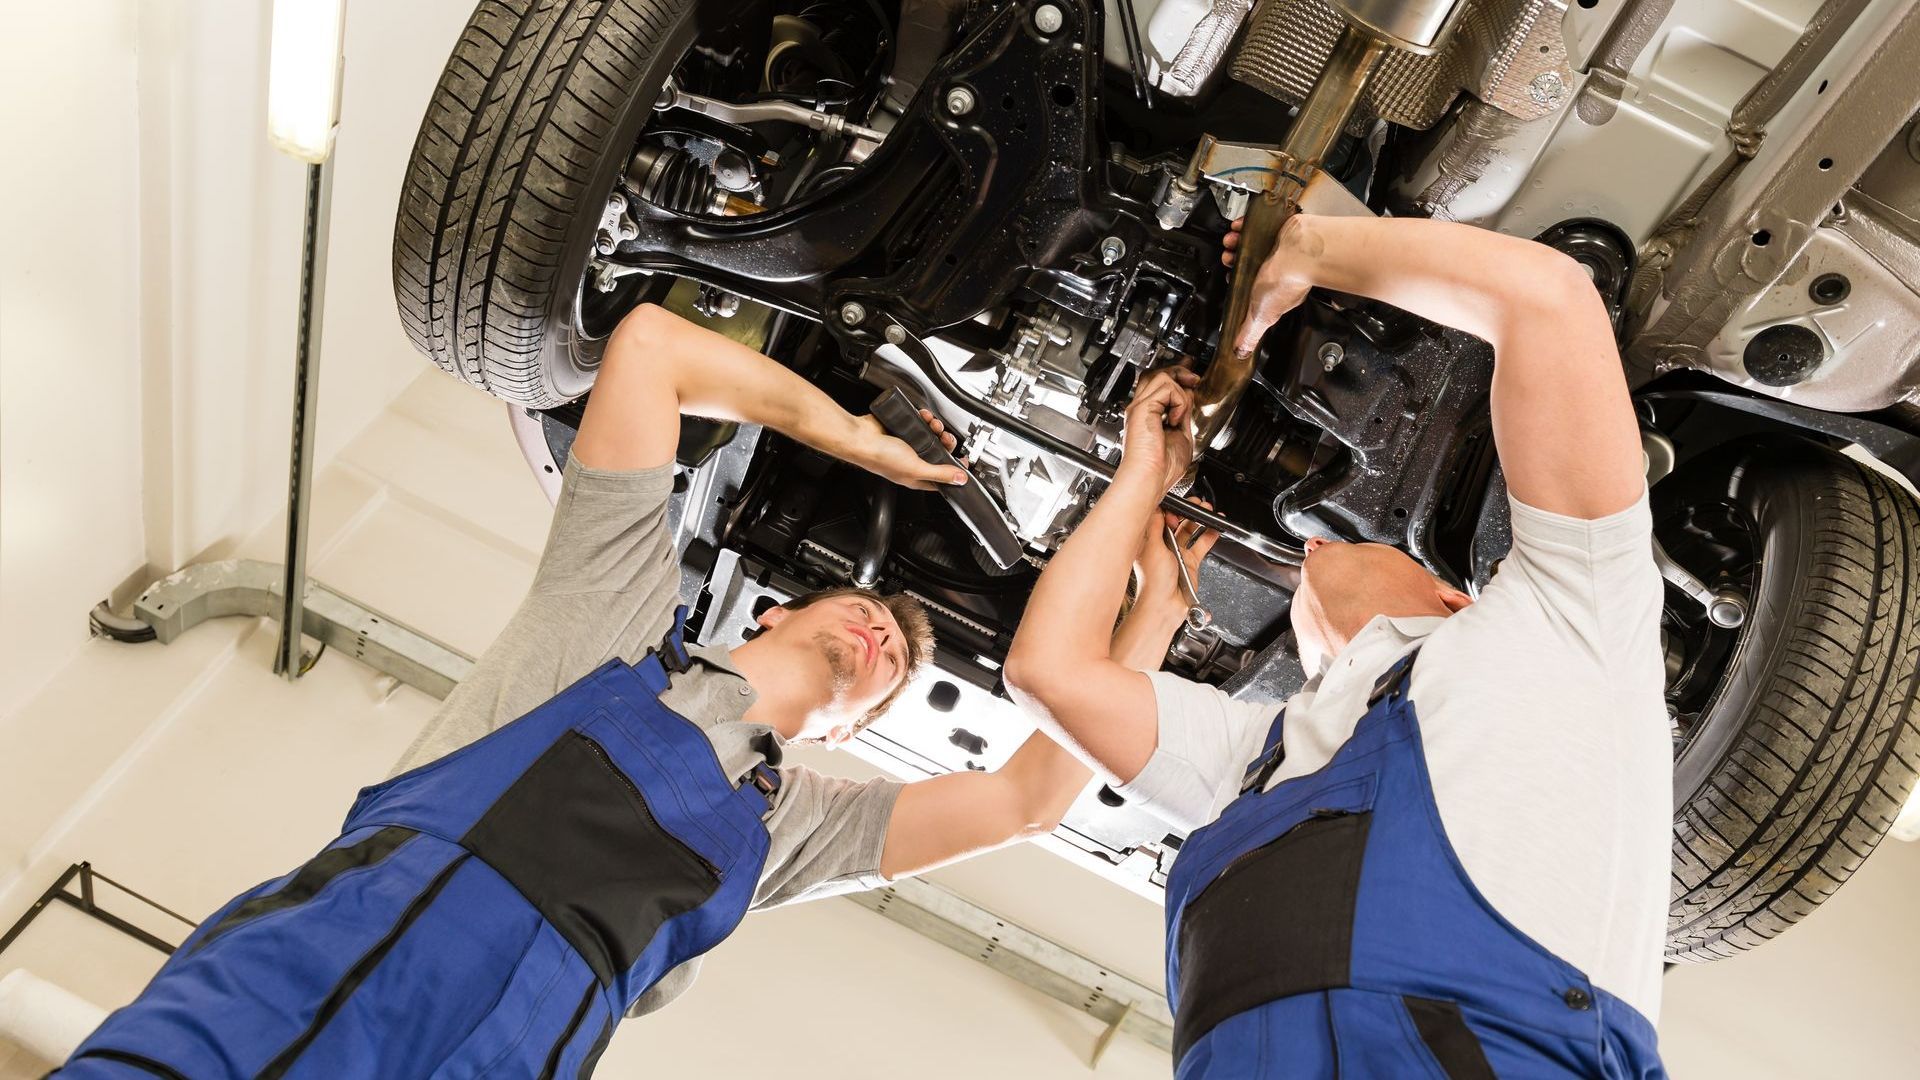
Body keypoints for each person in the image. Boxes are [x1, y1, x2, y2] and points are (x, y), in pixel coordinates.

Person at [57, 303, 1205, 1078]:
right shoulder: (606, 617)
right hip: (318, 954)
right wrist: (853, 435)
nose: (885, 636)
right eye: (867, 612)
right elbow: (650, 346)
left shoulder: (798, 829)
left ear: (859, 732)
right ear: (769, 610)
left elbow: (1023, 800)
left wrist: (1148, 617)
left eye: (901, 665)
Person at [1005, 212, 1670, 1077]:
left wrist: (1309, 251)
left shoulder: (1252, 766)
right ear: (1453, 594)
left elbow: (1046, 673)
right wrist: (1312, 246)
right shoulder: (1571, 616)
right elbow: (1551, 300)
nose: (1308, 542)